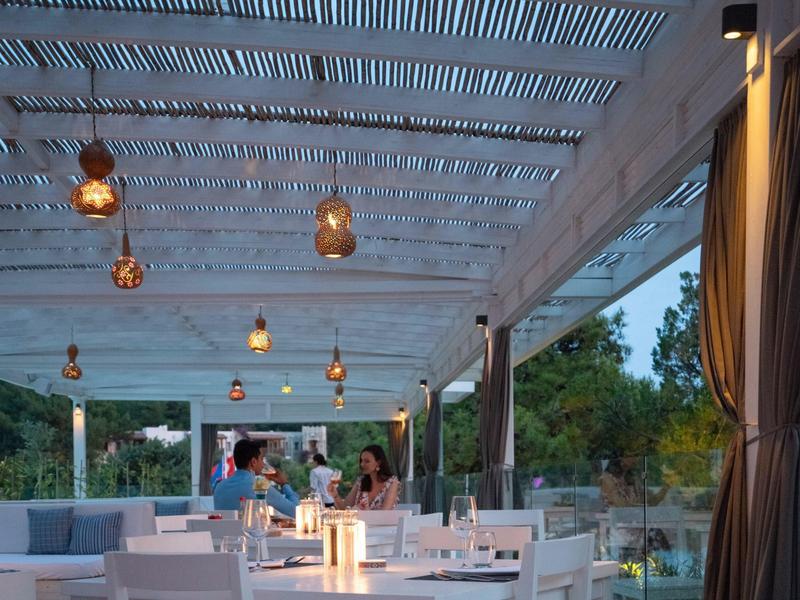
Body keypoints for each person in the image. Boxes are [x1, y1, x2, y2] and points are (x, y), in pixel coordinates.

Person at [213, 439, 299, 518]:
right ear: (253, 462)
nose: (263, 464)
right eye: (261, 459)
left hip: (222, 534)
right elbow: (296, 512)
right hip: (249, 534)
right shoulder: (259, 485)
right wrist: (284, 484)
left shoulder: (219, 486)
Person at [328, 444, 399, 510]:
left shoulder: (392, 482)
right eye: (361, 460)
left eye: (367, 461)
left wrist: (365, 512)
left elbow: (385, 513)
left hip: (385, 523)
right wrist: (335, 495)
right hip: (360, 523)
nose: (362, 464)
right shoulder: (361, 481)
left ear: (378, 463)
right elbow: (345, 508)